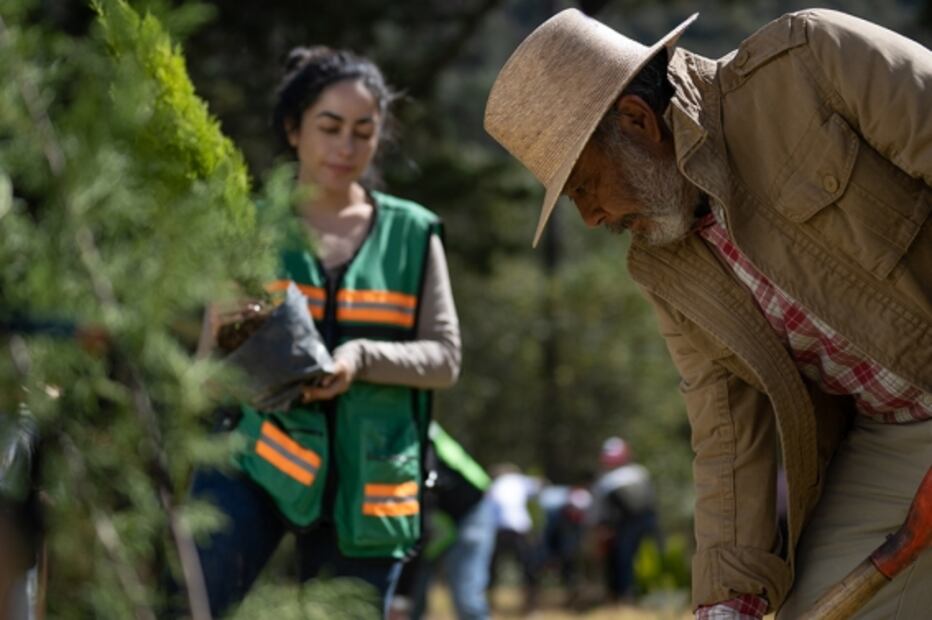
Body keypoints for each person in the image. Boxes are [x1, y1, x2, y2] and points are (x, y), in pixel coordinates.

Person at [483, 8, 931, 620]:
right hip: (900, 432)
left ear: (637, 121)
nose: (590, 219)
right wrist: (728, 600)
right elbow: (725, 436)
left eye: (584, 187)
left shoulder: (815, 63)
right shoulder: (663, 268)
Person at [190, 46, 462, 617]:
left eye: (364, 131)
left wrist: (359, 358)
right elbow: (203, 371)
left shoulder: (413, 233)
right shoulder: (250, 223)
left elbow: (444, 358)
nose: (346, 146)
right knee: (189, 606)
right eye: (330, 127)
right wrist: (216, 332)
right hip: (258, 459)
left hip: (375, 481)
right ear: (294, 130)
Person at [391, 422, 495, 620]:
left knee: (467, 596)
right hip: (439, 518)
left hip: (470, 512)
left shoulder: (415, 429)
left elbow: (425, 495)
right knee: (414, 593)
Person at [588, 437, 659, 603]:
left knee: (624, 561)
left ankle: (627, 595)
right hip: (623, 527)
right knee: (623, 561)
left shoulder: (611, 479)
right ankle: (626, 595)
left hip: (627, 526)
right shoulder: (638, 473)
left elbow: (598, 512)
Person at [487, 464, 541, 613]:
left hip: (498, 529)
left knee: (492, 568)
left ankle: (490, 605)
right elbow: (539, 485)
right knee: (528, 568)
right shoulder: (520, 480)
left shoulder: (494, 484)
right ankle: (531, 607)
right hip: (520, 528)